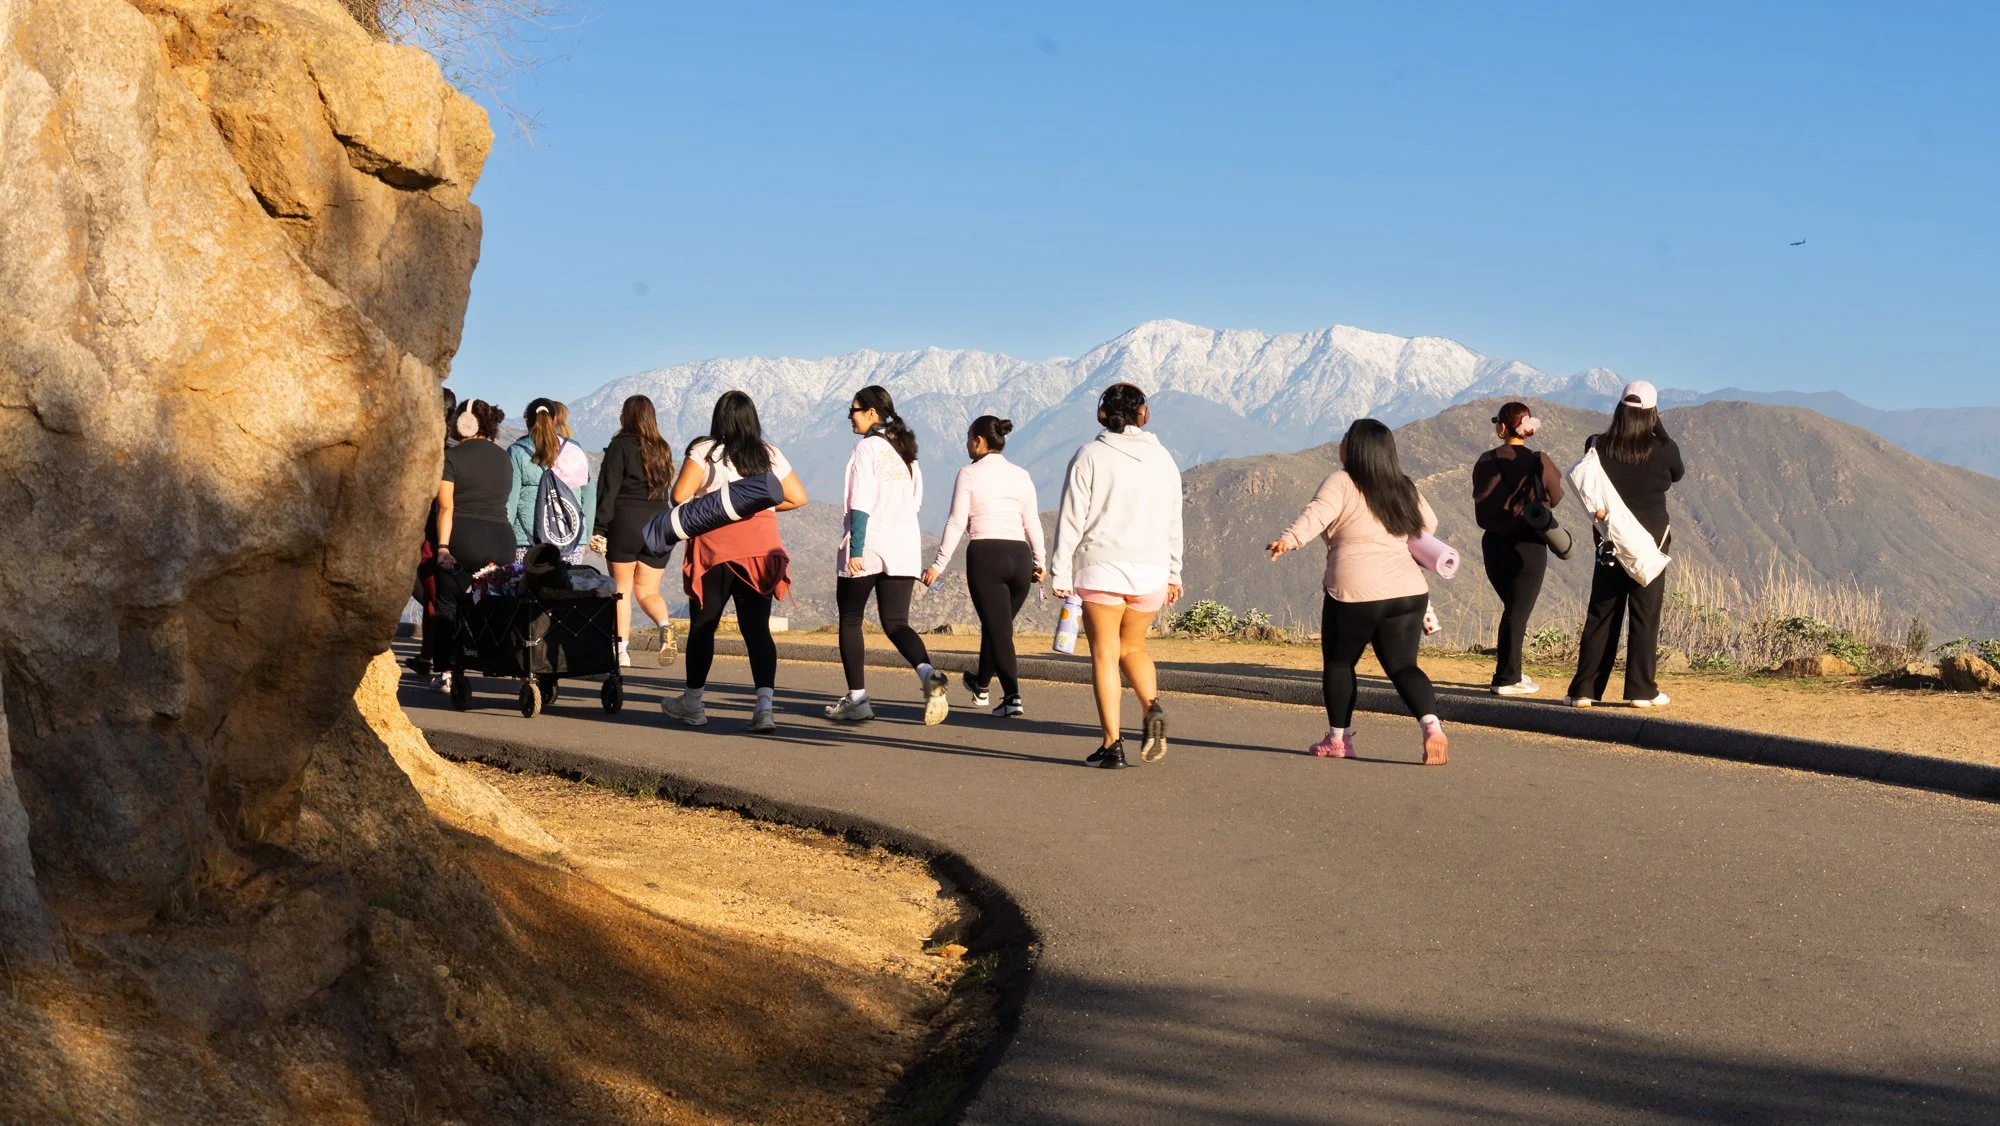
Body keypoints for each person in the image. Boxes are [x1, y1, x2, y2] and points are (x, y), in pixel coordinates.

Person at [1268, 418, 1448, 765]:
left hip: (1355, 590)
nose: (1342, 442)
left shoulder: (1342, 481)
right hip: (1408, 590)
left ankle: (1338, 740)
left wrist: (1289, 539)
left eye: (1346, 437)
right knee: (1403, 665)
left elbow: (1316, 514)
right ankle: (1432, 726)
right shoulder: (1402, 485)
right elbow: (1429, 524)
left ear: (1356, 448)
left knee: (1339, 663)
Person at [1049, 383, 1183, 768]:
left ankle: (1112, 744)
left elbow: (1072, 518)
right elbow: (1174, 521)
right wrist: (1173, 571)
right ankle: (1151, 705)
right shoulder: (1165, 460)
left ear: (1101, 415)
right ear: (1145, 413)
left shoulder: (1090, 455)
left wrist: (1060, 570)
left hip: (1101, 568)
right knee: (1134, 648)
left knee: (1105, 655)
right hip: (1152, 571)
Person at [660, 391, 808, 732]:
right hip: (761, 549)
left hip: (716, 549)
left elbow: (679, 496)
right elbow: (797, 497)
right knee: (756, 630)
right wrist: (758, 505)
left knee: (704, 625)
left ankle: (694, 704)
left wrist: (718, 504)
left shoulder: (706, 451)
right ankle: (764, 709)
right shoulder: (769, 453)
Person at [824, 385, 950, 725]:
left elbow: (861, 503)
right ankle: (928, 676)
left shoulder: (867, 449)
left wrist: (856, 549)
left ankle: (858, 699)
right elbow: (915, 502)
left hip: (870, 546)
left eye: (853, 410)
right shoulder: (906, 453)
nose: (849, 416)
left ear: (871, 413)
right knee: (897, 623)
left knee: (850, 619)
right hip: (904, 546)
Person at [1565, 381, 1684, 709]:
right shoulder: (1664, 450)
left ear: (1619, 408)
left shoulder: (1596, 444)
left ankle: (1584, 690)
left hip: (1610, 539)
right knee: (1645, 615)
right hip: (1651, 541)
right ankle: (1640, 691)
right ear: (1652, 413)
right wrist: (1658, 427)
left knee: (1602, 612)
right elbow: (1678, 473)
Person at [920, 416, 1045, 718]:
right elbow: (1032, 522)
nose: (966, 445)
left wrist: (938, 564)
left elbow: (956, 521)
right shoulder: (1021, 474)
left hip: (986, 554)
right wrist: (1040, 562)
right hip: (1020, 555)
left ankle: (1013, 697)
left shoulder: (969, 473)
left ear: (978, 441)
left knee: (999, 630)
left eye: (968, 439)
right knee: (997, 626)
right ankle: (981, 685)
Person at [1471, 401, 1567, 696]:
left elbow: (1480, 503)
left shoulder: (1485, 461)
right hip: (1529, 545)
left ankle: (1513, 671)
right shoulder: (1540, 460)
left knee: (1513, 609)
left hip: (1494, 544)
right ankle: (1507, 678)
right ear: (1528, 428)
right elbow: (1557, 495)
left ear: (1501, 428)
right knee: (1517, 611)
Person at [591, 395, 677, 669]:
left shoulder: (620, 446)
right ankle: (665, 625)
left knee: (623, 591)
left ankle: (622, 650)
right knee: (649, 590)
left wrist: (599, 528)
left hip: (625, 522)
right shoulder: (662, 448)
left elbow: (608, 489)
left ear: (626, 416)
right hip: (659, 525)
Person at [432, 399, 513, 690]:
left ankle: (446, 671)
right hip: (503, 539)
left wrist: (443, 547)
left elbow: (446, 507)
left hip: (464, 538)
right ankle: (506, 660)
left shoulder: (451, 458)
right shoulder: (504, 457)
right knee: (498, 603)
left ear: (463, 422)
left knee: (448, 605)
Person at [406, 385, 458, 680]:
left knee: (433, 596)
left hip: (427, 528)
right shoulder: (451, 451)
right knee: (434, 595)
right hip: (441, 528)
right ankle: (430, 652)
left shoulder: (422, 447)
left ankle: (434, 656)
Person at [507, 398, 594, 557]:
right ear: (555, 419)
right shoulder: (574, 450)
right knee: (567, 581)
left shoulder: (517, 452)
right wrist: (585, 537)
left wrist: (504, 536)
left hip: (527, 541)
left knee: (527, 582)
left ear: (527, 420)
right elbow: (588, 496)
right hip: (571, 540)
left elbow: (511, 501)